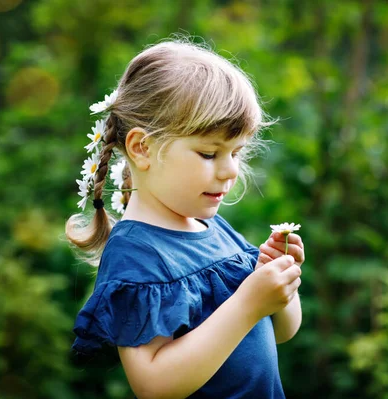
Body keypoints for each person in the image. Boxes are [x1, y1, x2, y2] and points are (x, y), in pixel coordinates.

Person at [65, 37, 305, 399]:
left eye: (236, 153)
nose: (229, 172)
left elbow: (282, 332)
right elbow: (154, 385)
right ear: (142, 148)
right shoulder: (137, 253)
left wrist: (279, 285)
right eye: (209, 153)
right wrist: (248, 303)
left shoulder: (213, 228)